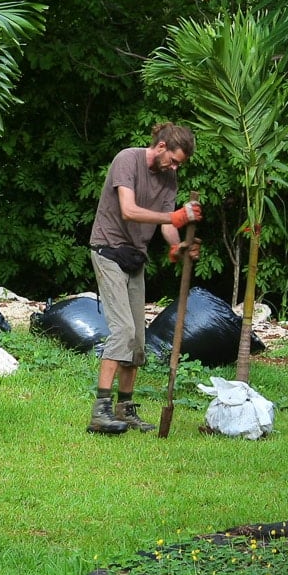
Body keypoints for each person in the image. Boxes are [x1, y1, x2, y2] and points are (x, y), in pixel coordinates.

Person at [87, 122, 203, 434]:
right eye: (174, 160)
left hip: (135, 257)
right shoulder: (127, 159)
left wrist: (177, 245)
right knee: (122, 330)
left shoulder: (169, 177)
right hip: (108, 250)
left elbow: (167, 224)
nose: (175, 167)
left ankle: (125, 409)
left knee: (138, 338)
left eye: (180, 164)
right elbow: (128, 210)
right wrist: (175, 216)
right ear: (162, 146)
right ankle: (100, 411)